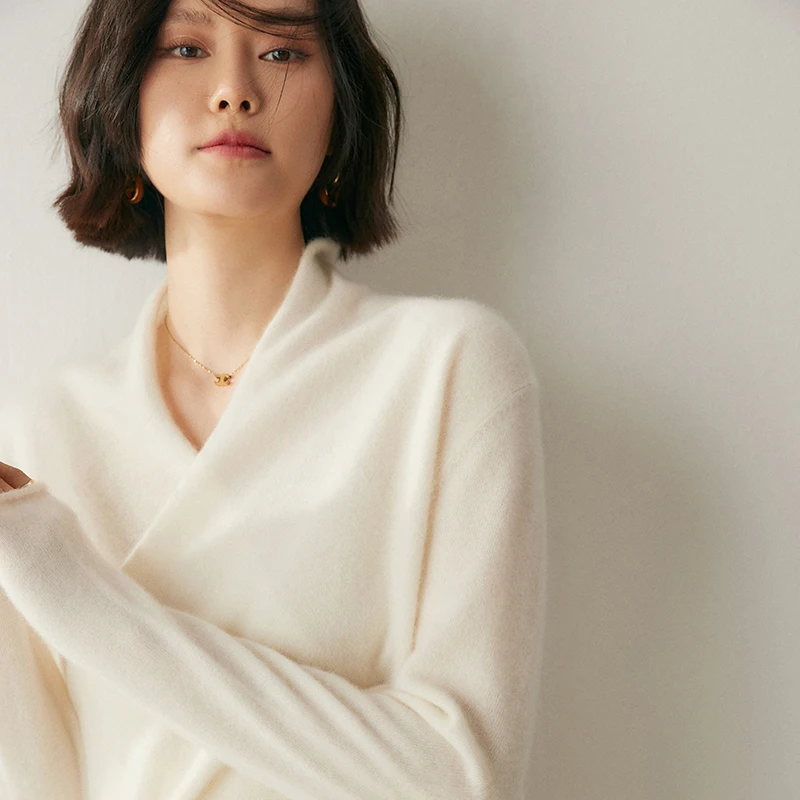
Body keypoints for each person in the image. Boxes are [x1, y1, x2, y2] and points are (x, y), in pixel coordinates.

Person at [0, 0, 548, 796]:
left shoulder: (448, 369)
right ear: (119, 90)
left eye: (284, 51)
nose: (235, 90)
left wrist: (79, 593)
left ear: (342, 104)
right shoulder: (45, 428)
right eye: (186, 48)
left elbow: (463, 778)